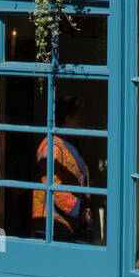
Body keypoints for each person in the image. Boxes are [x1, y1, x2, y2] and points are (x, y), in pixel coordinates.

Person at [31, 96, 92, 242]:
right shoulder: (51, 148)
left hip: (69, 223)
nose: (83, 120)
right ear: (67, 118)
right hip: (52, 224)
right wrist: (80, 211)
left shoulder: (72, 142)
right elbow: (55, 188)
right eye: (80, 115)